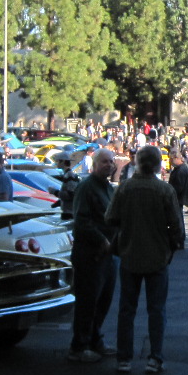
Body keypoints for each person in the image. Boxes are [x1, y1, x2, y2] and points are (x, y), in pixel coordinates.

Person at [104, 144, 185, 374]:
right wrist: (171, 246)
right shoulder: (164, 190)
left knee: (127, 309)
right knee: (156, 310)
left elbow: (110, 218)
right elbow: (177, 226)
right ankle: (155, 358)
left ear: (137, 163)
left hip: (129, 254)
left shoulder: (125, 188)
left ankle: (124, 358)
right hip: (157, 256)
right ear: (158, 165)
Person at [67, 149, 118, 362]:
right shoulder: (86, 187)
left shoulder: (108, 187)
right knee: (88, 301)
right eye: (104, 162)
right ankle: (79, 346)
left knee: (103, 300)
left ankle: (95, 339)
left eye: (111, 162)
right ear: (94, 164)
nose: (109, 165)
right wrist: (101, 240)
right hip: (90, 254)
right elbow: (81, 221)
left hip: (108, 254)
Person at [169, 148, 188, 213]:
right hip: (177, 199)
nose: (170, 161)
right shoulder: (178, 168)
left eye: (171, 159)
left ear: (176, 158)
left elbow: (179, 186)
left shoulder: (181, 170)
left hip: (178, 199)